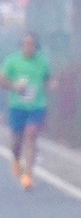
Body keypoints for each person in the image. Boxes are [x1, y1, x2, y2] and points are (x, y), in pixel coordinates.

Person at [2, 31, 52, 190]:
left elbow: (48, 79)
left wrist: (52, 85)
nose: (28, 47)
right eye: (26, 43)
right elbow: (2, 80)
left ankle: (28, 176)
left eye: (31, 44)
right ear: (21, 45)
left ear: (36, 46)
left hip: (37, 106)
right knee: (16, 142)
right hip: (17, 107)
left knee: (31, 134)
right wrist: (14, 86)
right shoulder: (12, 61)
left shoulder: (43, 62)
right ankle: (16, 160)